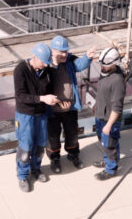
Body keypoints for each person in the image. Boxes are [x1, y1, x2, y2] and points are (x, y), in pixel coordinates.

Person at [46, 35, 98, 174]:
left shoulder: (69, 60)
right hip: (53, 110)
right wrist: (55, 64)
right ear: (53, 51)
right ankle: (54, 158)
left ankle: (73, 154)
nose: (64, 54)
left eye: (66, 51)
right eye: (61, 52)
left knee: (72, 133)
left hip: (70, 107)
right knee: (53, 137)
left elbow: (80, 65)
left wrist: (87, 56)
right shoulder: (46, 64)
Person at [13, 42, 59, 192]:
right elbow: (20, 96)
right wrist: (42, 99)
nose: (45, 66)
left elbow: (49, 90)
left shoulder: (47, 71)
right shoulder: (20, 70)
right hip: (25, 115)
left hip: (42, 114)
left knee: (39, 146)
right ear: (34, 57)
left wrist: (54, 101)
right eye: (43, 62)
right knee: (25, 149)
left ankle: (36, 169)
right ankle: (22, 175)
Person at [92, 46, 127, 180]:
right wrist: (97, 104)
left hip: (109, 119)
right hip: (100, 114)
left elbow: (117, 106)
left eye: (104, 65)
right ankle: (110, 160)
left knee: (109, 144)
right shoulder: (105, 72)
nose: (102, 67)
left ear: (114, 65)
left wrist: (108, 125)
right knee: (105, 142)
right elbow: (102, 91)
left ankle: (111, 169)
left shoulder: (117, 81)